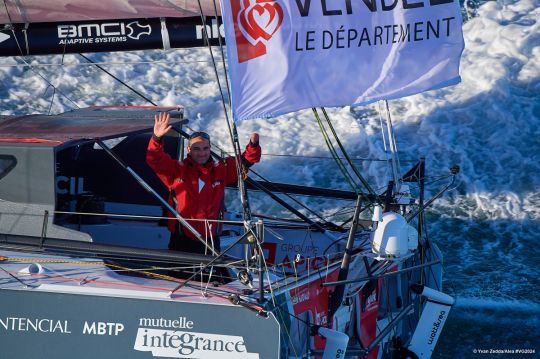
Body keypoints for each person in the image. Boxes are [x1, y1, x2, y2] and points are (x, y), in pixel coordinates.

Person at [146, 112, 261, 256]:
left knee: (211, 278)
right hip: (182, 240)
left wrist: (253, 145)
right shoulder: (176, 170)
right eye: (197, 149)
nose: (202, 153)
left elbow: (245, 161)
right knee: (178, 277)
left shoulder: (221, 169)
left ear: (210, 149)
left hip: (211, 240)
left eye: (205, 148)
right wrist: (156, 138)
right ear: (189, 150)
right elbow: (154, 159)